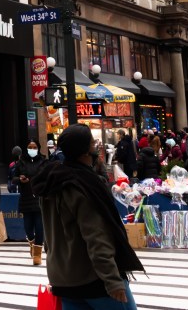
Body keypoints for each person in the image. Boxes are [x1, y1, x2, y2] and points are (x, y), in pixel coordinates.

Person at [35, 125, 144, 310]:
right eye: (93, 143)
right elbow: (97, 236)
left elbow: (50, 235)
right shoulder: (84, 186)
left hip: (64, 280)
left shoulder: (51, 183)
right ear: (85, 150)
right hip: (95, 280)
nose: (96, 147)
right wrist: (112, 280)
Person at [14, 140, 46, 266]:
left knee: (39, 227)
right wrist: (20, 179)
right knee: (28, 227)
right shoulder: (21, 162)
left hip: (39, 198)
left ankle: (37, 254)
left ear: (38, 148)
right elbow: (13, 178)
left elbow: (48, 177)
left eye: (34, 147)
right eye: (29, 147)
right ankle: (32, 243)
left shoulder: (43, 162)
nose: (32, 149)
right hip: (26, 198)